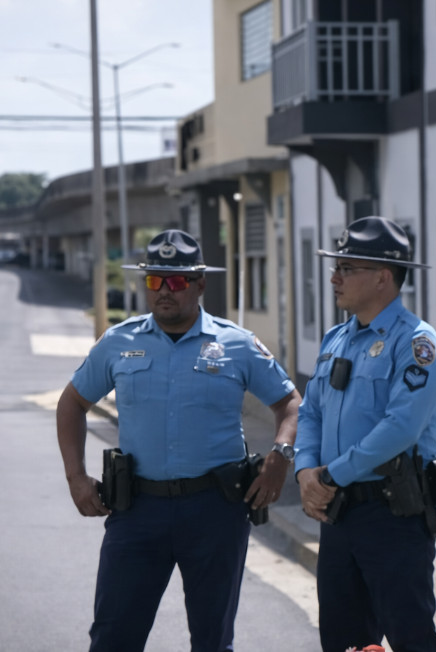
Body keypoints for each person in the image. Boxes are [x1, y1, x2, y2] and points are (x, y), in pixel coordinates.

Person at [55, 229, 302, 652]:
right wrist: (76, 477)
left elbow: (291, 404)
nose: (163, 291)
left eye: (176, 281)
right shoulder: (119, 341)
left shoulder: (236, 344)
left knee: (212, 640)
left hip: (215, 512)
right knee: (113, 637)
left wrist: (280, 457)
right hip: (137, 511)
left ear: (200, 284)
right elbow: (72, 403)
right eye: (154, 280)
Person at [295, 216, 436, 652]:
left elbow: (400, 428)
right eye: (336, 266)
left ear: (383, 277)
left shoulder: (417, 344)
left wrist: (329, 476)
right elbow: (310, 413)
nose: (334, 277)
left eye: (346, 267)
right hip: (339, 514)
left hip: (393, 517)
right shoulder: (336, 340)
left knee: (411, 638)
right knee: (344, 642)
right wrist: (305, 470)